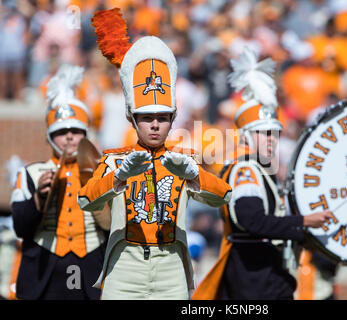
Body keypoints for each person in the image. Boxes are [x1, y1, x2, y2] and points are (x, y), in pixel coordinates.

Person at [78, 8, 232, 300]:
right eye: (146, 117)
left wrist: (194, 175)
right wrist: (117, 178)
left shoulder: (184, 158)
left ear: (173, 118)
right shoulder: (113, 158)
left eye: (162, 117)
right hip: (124, 266)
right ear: (132, 119)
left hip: (172, 267)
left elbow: (223, 196)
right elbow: (85, 200)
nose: (155, 124)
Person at [192, 48, 333, 300]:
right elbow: (252, 220)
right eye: (263, 133)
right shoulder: (245, 169)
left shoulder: (261, 169)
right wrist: (303, 223)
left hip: (265, 274)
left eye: (274, 133)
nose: (271, 140)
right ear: (246, 135)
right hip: (251, 277)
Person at [10, 64, 108, 300]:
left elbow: (113, 224)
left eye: (76, 130)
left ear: (86, 133)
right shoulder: (30, 173)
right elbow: (20, 228)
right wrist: (38, 198)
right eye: (62, 131)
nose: (70, 137)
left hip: (92, 266)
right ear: (49, 136)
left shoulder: (103, 169)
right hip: (45, 270)